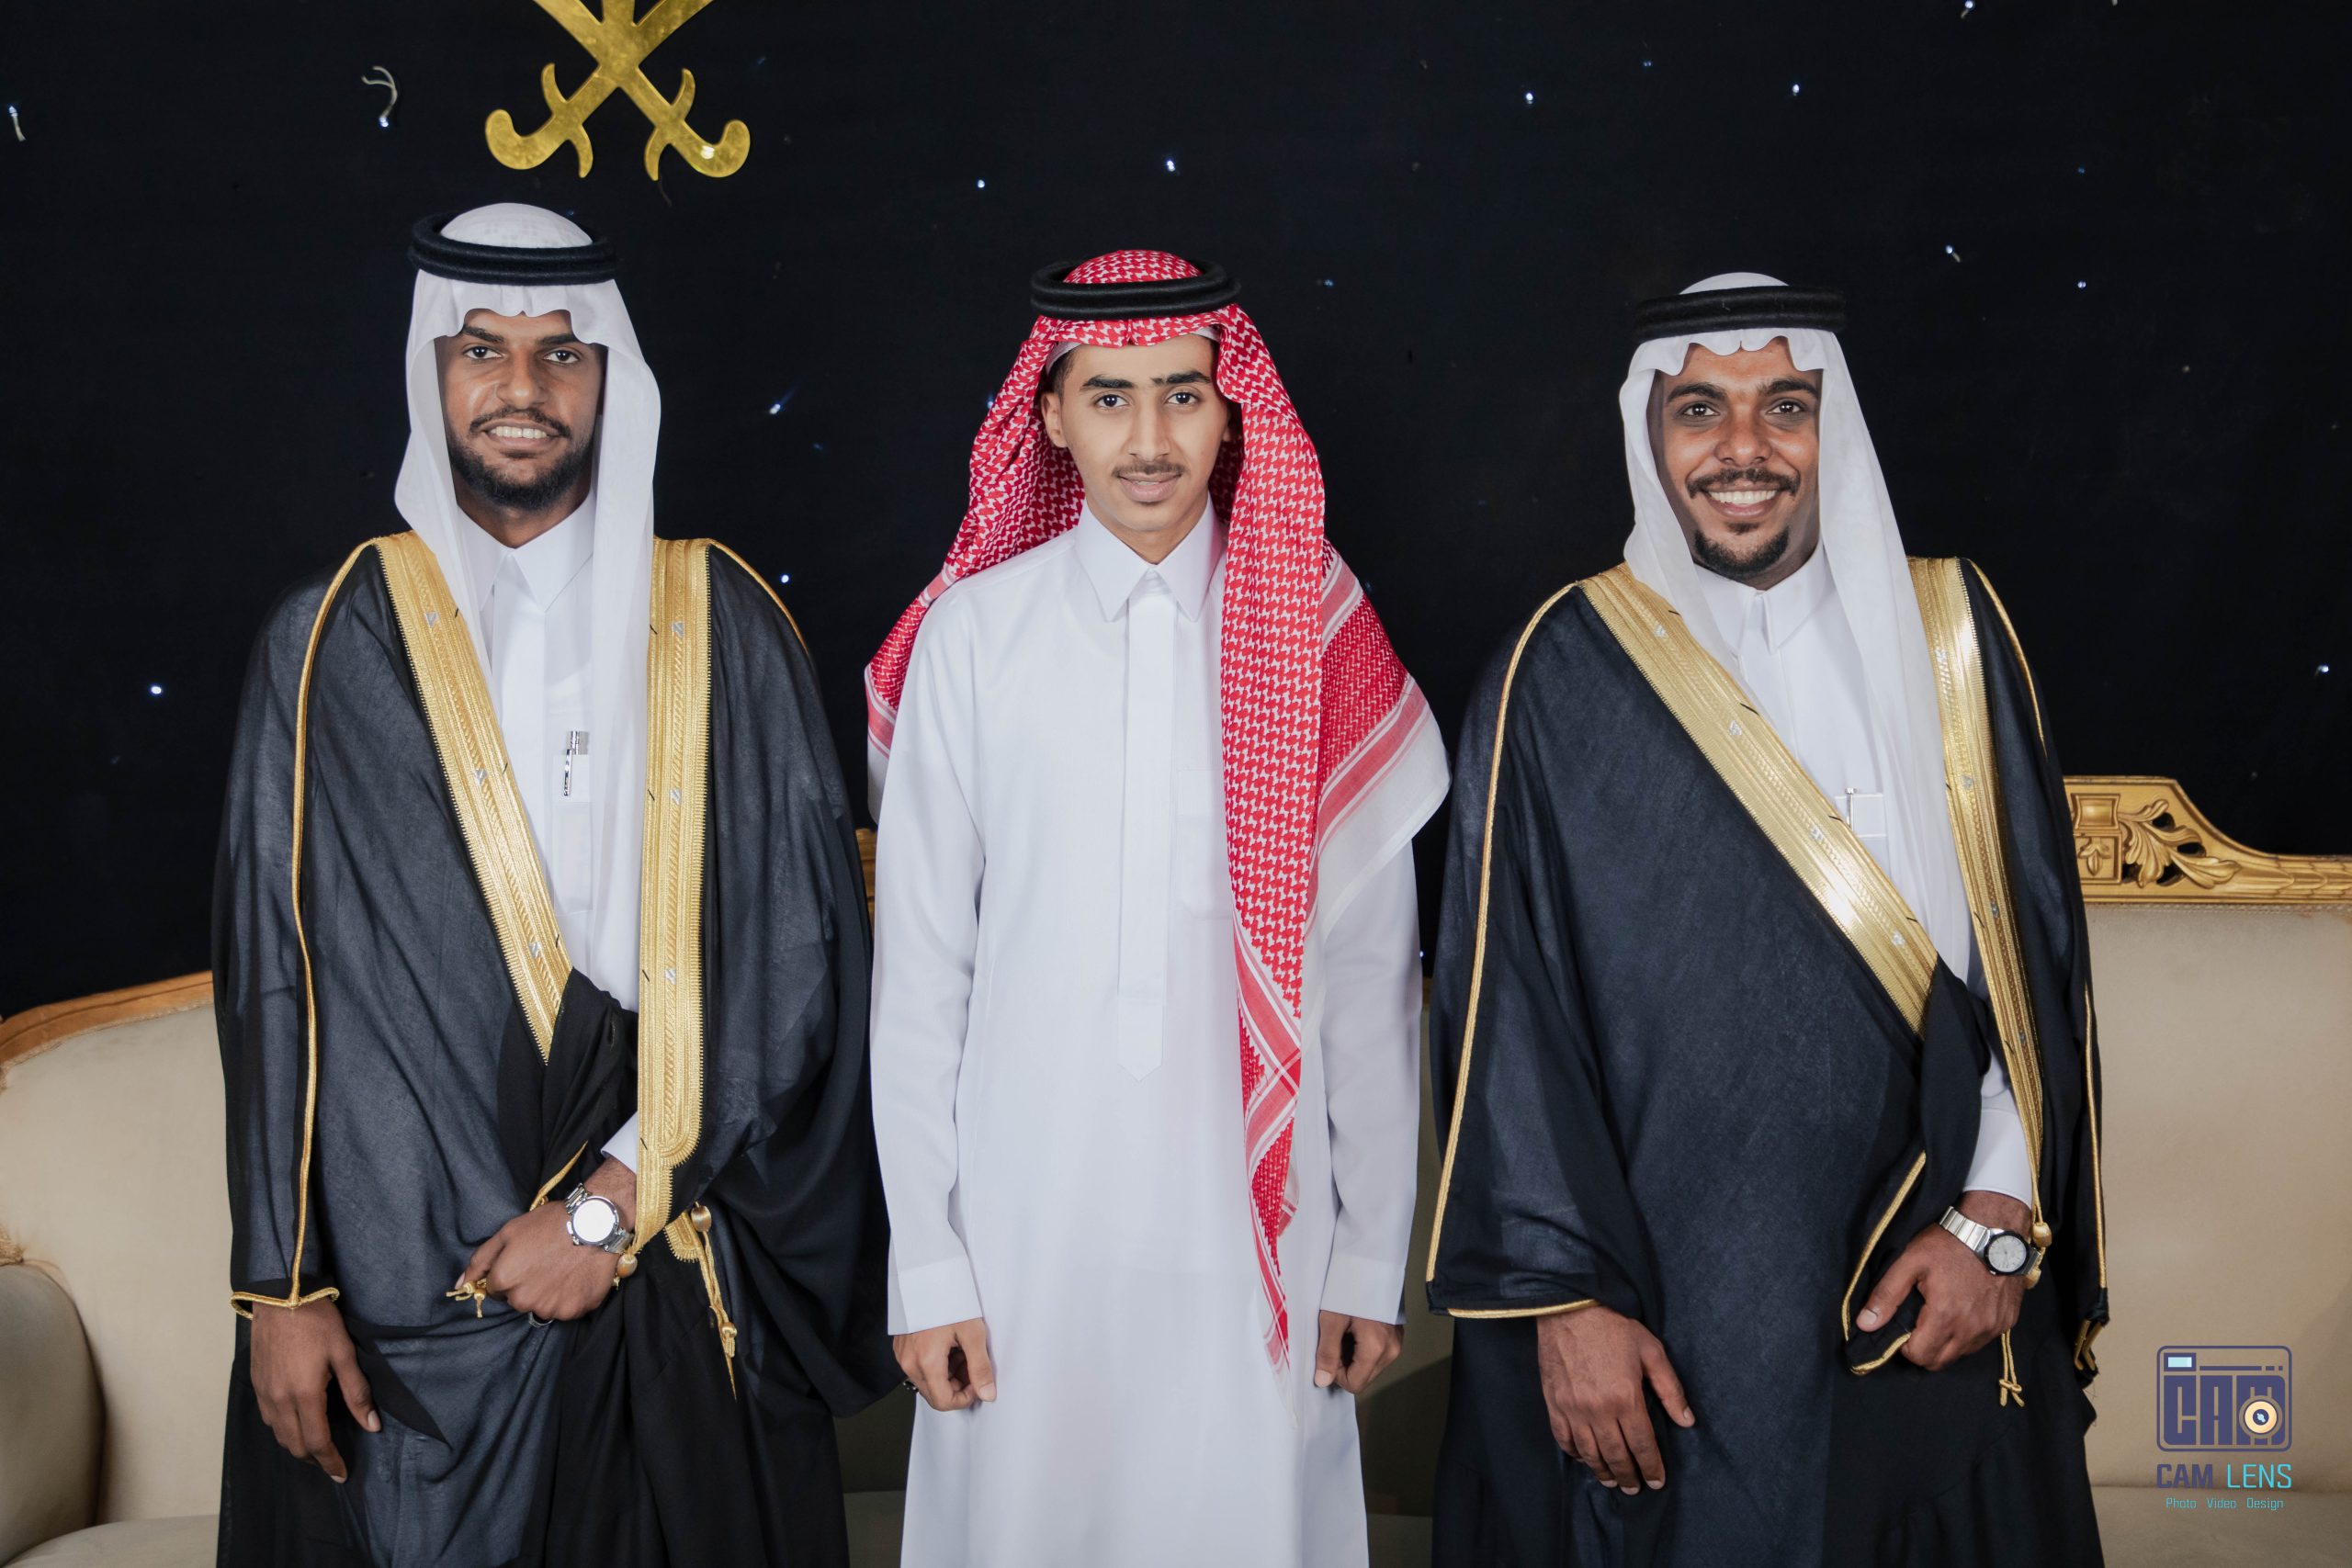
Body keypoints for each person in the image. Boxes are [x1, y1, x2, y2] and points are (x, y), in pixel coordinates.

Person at [213, 203, 894, 1568]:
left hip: (675, 1247)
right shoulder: (330, 640)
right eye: (481, 349)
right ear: (433, 371)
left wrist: (611, 1204)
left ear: (610, 379)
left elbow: (797, 960)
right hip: (409, 1295)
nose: (520, 387)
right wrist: (280, 1290)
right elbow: (274, 982)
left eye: (560, 353)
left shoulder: (723, 621)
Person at [1425, 275, 2109, 1566]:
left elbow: (2029, 968)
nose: (1743, 448)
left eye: (1783, 407)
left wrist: (1997, 1218)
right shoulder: (1558, 669)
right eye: (1700, 410)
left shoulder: (1953, 637)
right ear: (1650, 432)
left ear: (1829, 426)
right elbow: (1506, 1019)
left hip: (1924, 1273)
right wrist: (1565, 1306)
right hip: (1657, 1304)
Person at [865, 252, 1448, 1567]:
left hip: (1256, 1239)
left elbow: (1367, 983)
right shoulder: (974, 637)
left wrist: (1368, 1258)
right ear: (1050, 416)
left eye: (1183, 395)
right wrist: (928, 1264)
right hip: (1023, 1232)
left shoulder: (1316, 633)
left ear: (1231, 413)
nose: (1148, 439)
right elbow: (923, 987)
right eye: (1109, 396)